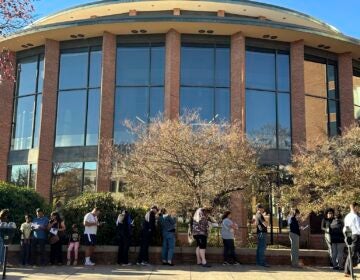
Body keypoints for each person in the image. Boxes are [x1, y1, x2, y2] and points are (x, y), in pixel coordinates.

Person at [343, 202, 360, 277]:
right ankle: (347, 271)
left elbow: (345, 228)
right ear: (355, 207)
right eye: (358, 207)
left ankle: (348, 270)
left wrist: (346, 236)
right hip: (356, 235)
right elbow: (359, 228)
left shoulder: (347, 216)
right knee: (352, 254)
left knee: (352, 253)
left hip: (350, 235)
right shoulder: (356, 217)